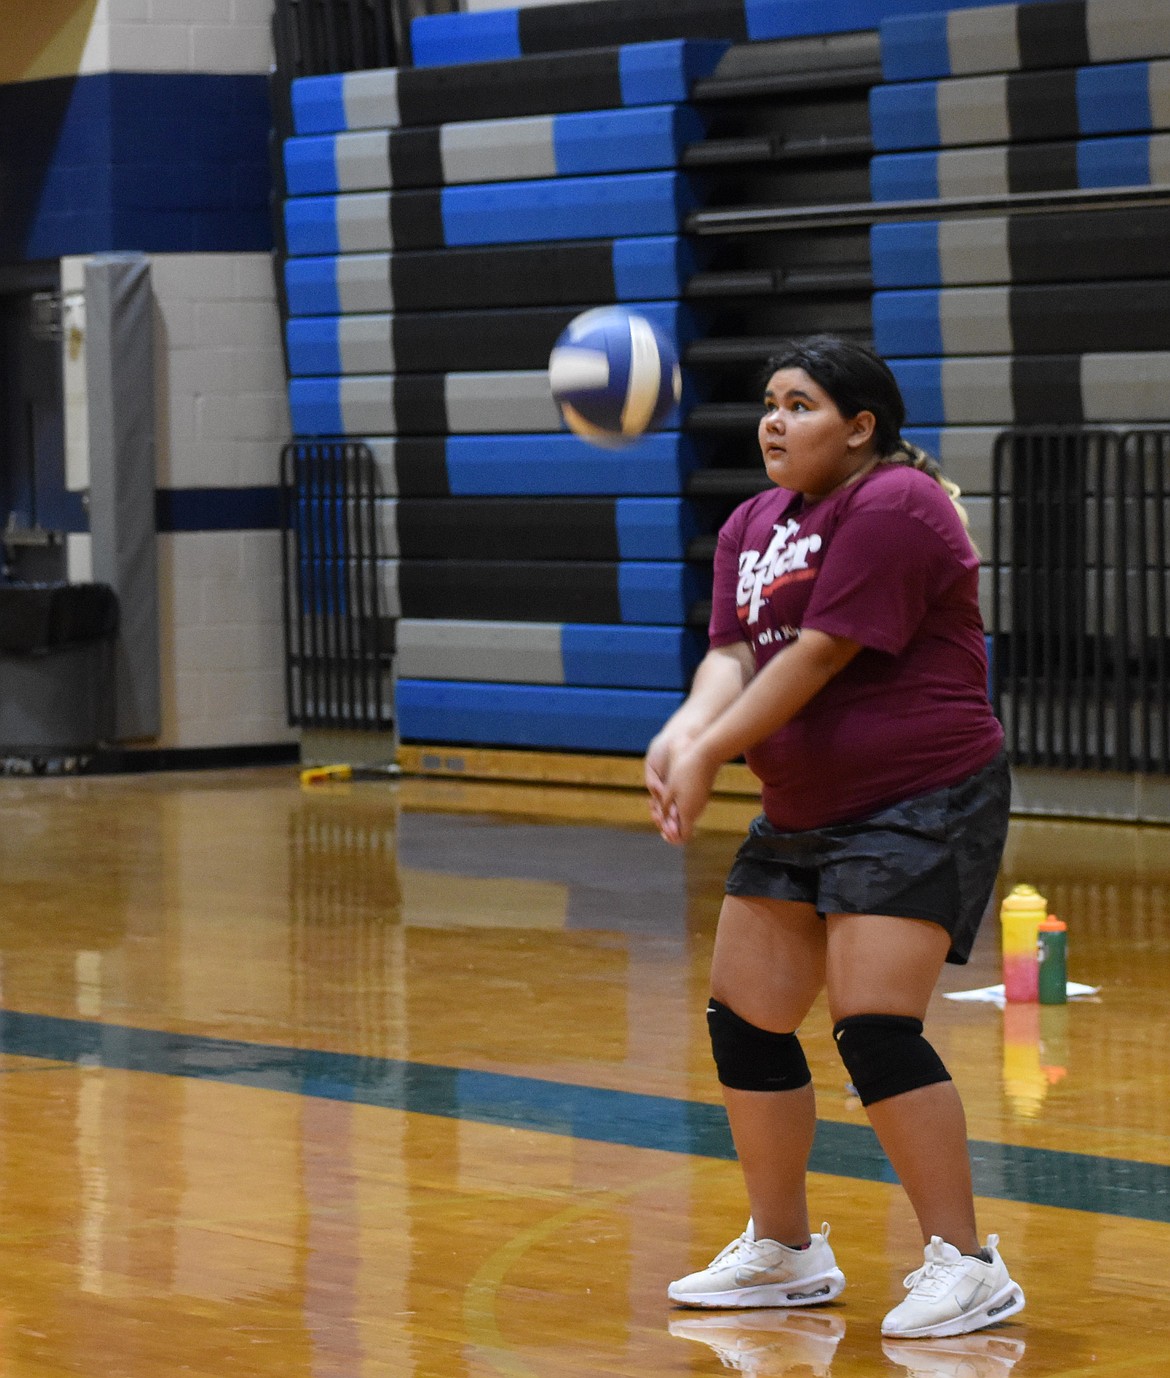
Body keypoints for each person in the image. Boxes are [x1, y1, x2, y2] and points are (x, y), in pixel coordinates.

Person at [644, 335, 1025, 1341]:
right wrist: (685, 730)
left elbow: (818, 656)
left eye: (801, 404)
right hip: (806, 806)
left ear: (861, 427)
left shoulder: (898, 503)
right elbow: (735, 652)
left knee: (874, 1024)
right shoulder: (751, 522)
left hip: (919, 794)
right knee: (746, 1017)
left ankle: (968, 1263)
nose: (773, 420)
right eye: (768, 402)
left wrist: (713, 752)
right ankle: (784, 1248)